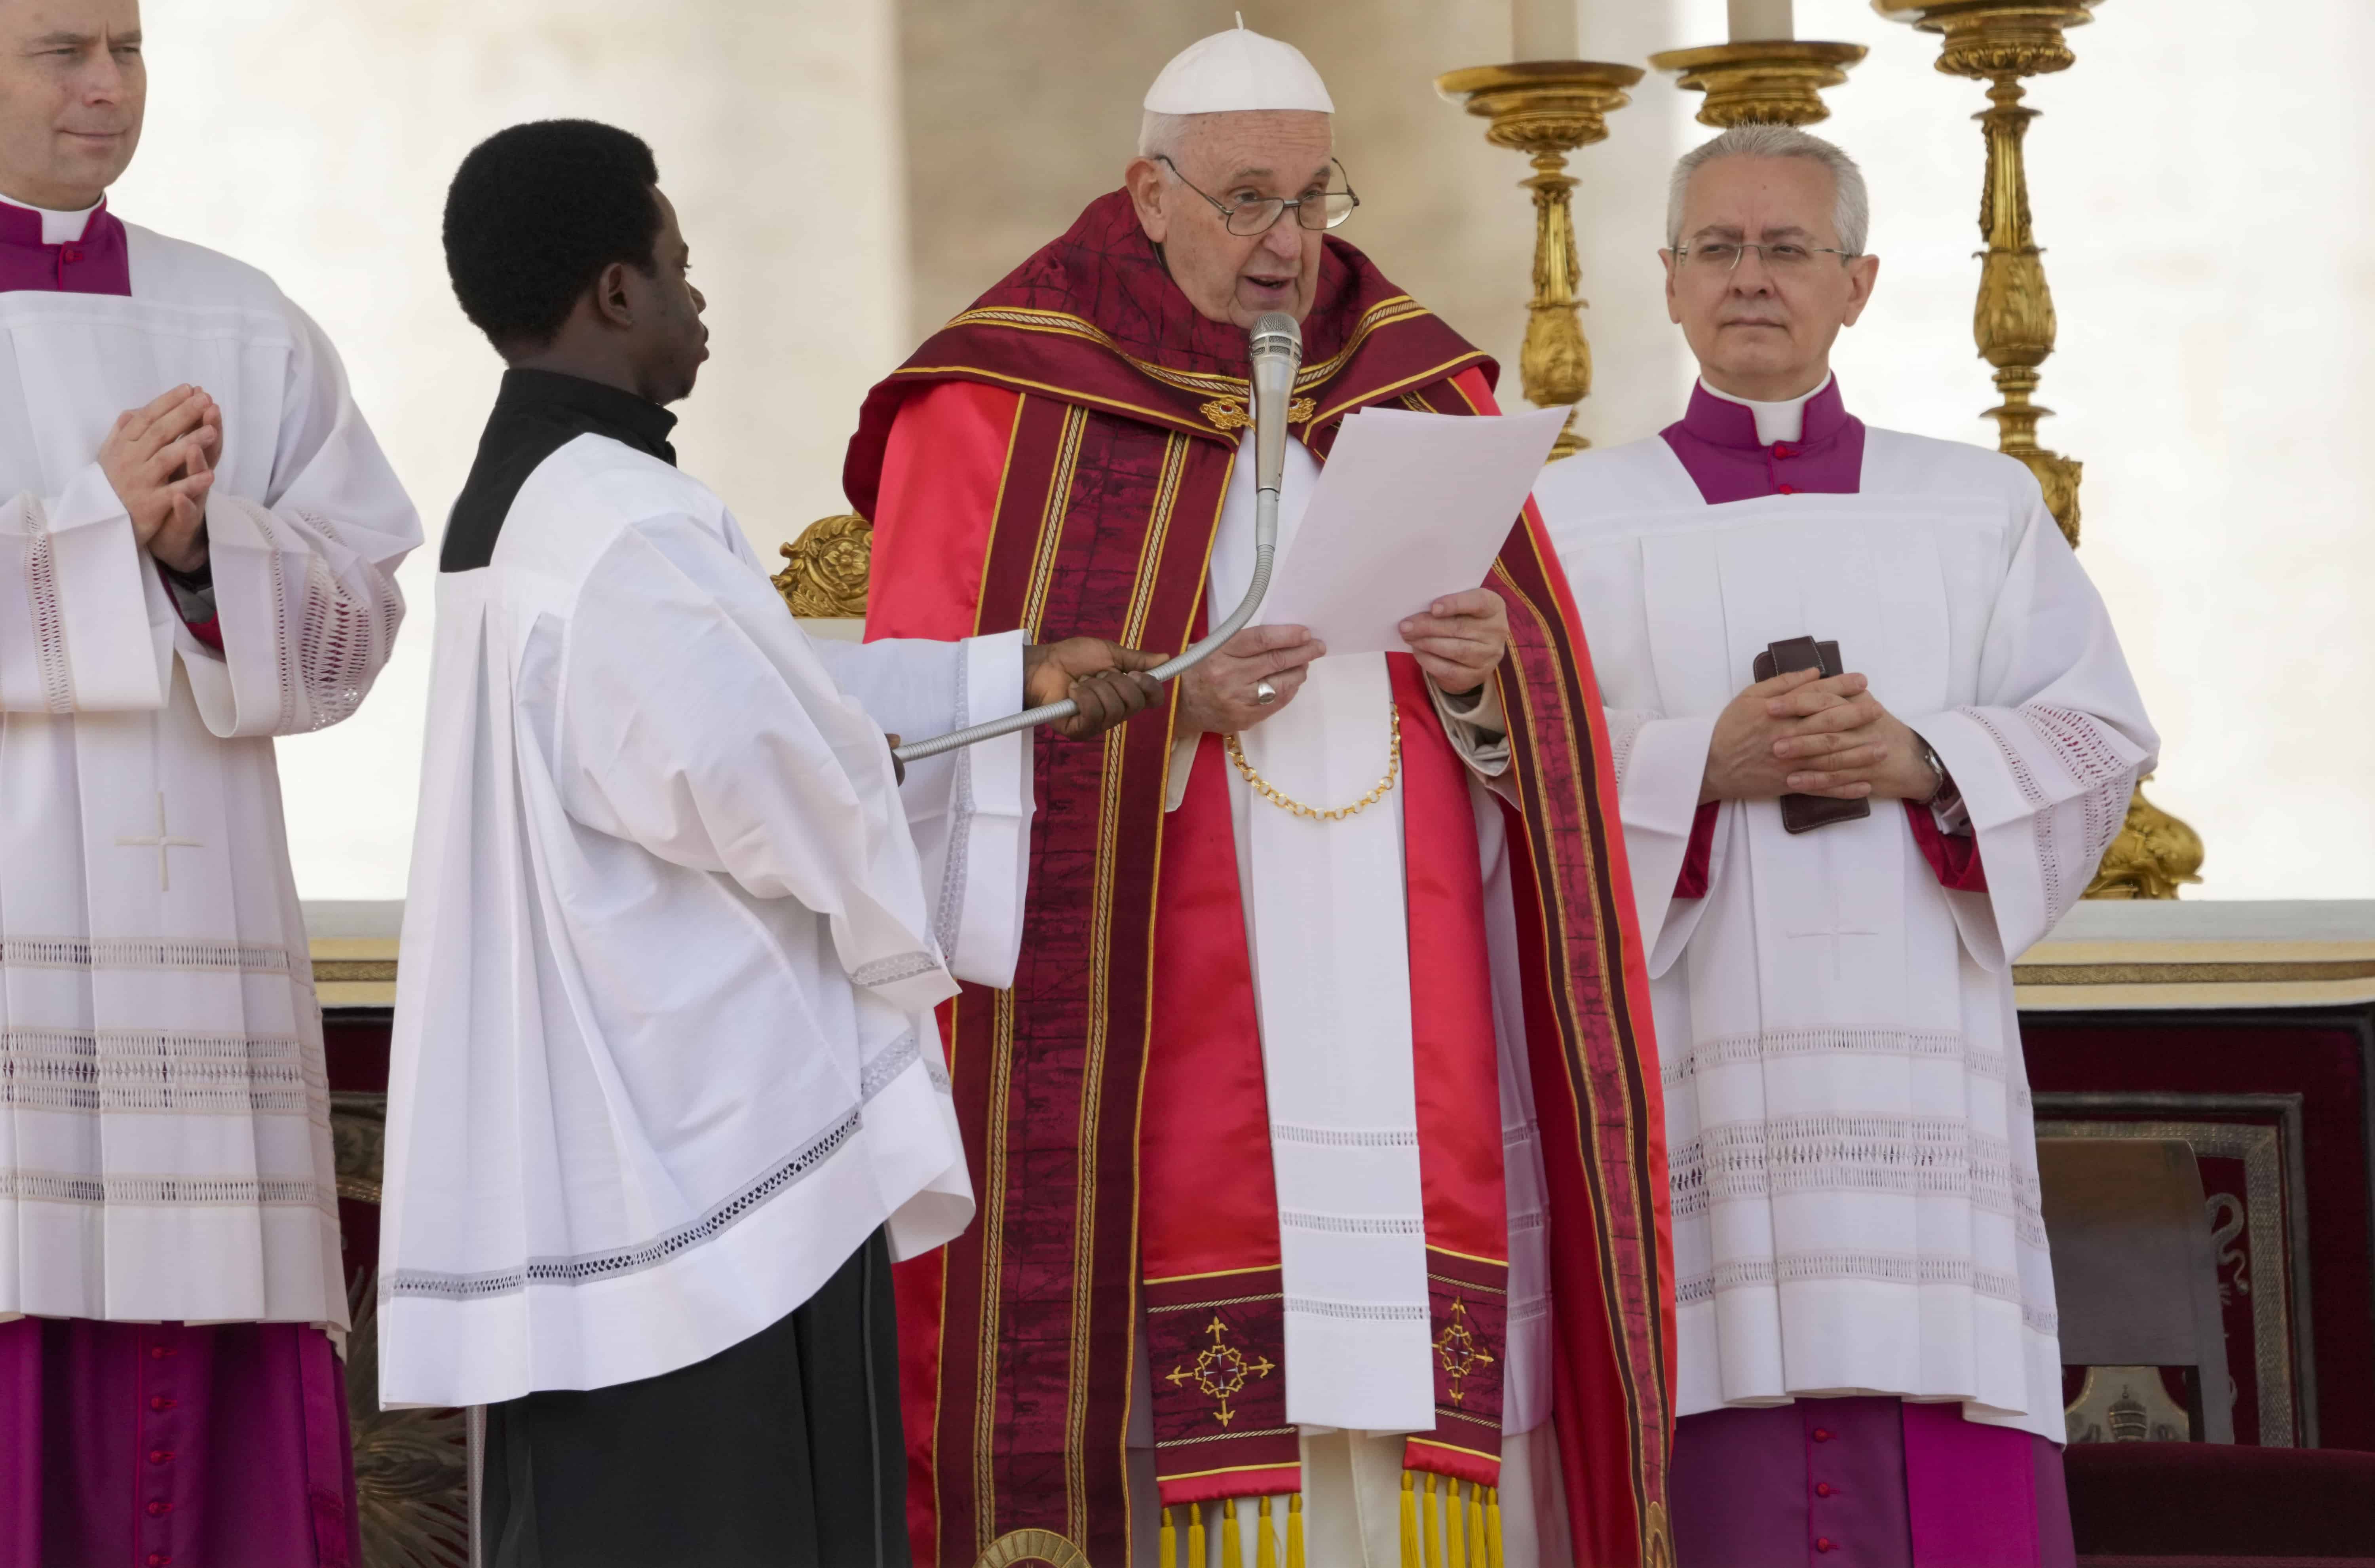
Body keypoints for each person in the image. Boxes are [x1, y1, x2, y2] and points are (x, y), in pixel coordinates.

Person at [850, 26, 1671, 1568]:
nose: (1290, 242)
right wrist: (1165, 711)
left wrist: (1499, 680)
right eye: (1246, 201)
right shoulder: (999, 403)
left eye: (1313, 199)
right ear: (1146, 195)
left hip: (1406, 1008)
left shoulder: (1428, 389)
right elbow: (904, 747)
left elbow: (1555, 746)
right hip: (1166, 1046)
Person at [376, 120, 1162, 1568]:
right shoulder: (623, 521)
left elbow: (771, 705)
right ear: (616, 292)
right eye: (679, 264)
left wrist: (1011, 682)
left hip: (626, 1142)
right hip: (704, 1171)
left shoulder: (546, 503)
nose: (698, 296)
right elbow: (760, 773)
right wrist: (880, 887)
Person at [1533, 123, 2158, 1568]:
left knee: (1942, 1412)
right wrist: (1704, 764)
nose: (1753, 279)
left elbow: (2098, 736)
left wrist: (1927, 756)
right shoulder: (1568, 516)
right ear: (1670, 283)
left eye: (1789, 249)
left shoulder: (1978, 505)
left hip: (1917, 1062)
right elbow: (1510, 774)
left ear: (1859, 283)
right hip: (1693, 1053)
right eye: (1719, 249)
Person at [0, 0, 420, 1562]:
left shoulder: (242, 321)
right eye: (63, 48)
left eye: (128, 46)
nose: (107, 85)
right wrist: (86, 524)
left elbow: (364, 603)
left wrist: (204, 556)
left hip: (202, 970)